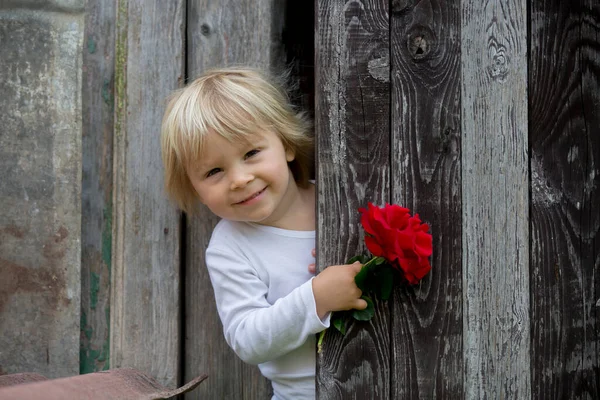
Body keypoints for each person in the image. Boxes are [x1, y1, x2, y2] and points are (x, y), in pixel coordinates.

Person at [160, 67, 367, 400]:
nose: (239, 179)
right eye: (214, 171)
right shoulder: (231, 247)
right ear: (195, 189)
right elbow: (247, 339)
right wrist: (317, 297)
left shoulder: (339, 202)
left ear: (285, 144)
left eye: (251, 153)